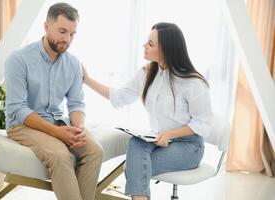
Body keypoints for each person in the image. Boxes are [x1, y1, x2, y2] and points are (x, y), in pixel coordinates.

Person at [83, 22, 213, 200]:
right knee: (136, 144)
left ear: (166, 50)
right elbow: (120, 97)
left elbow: (203, 124)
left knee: (134, 166)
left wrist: (170, 134)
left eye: (150, 44)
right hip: (159, 139)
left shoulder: (193, 83)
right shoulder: (147, 73)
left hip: (188, 147)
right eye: (147, 41)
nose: (144, 46)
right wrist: (87, 79)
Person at [5, 3, 103, 200]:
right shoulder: (18, 59)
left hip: (57, 120)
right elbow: (18, 109)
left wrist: (79, 128)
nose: (67, 39)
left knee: (95, 150)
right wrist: (58, 133)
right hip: (22, 125)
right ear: (46, 26)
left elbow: (76, 103)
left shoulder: (73, 64)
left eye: (72, 34)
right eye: (62, 31)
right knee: (60, 155)